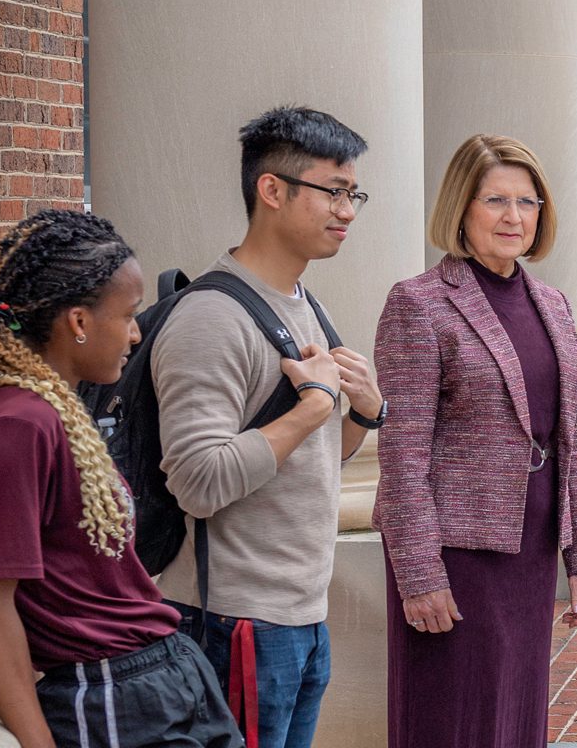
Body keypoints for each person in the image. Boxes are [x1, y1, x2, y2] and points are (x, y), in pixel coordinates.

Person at [0, 209, 243, 748]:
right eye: (129, 314)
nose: (137, 332)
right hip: (110, 694)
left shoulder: (54, 409)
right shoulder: (17, 424)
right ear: (80, 323)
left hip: (160, 671)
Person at [152, 106, 384, 748]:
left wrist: (360, 410)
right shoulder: (213, 318)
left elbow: (311, 461)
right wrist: (311, 407)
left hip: (300, 615)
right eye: (333, 192)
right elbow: (197, 482)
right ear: (272, 189)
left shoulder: (306, 304)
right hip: (235, 619)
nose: (348, 211)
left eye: (354, 193)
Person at [373, 133, 577, 748]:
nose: (513, 217)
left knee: (516, 720)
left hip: (529, 551)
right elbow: (401, 455)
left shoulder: (552, 304)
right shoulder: (419, 304)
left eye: (527, 203)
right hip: (456, 558)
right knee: (452, 722)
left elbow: (572, 438)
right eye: (495, 200)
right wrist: (419, 573)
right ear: (461, 208)